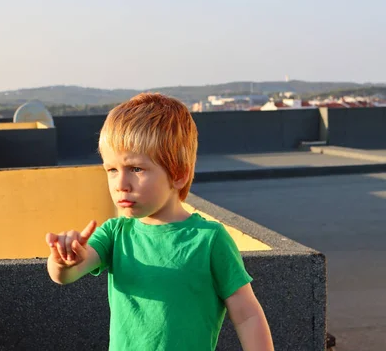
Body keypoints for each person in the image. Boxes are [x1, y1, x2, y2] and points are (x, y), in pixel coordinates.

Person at [45, 93, 273, 350]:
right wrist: (63, 261)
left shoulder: (209, 239)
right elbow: (64, 276)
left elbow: (247, 314)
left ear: (177, 175)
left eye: (136, 169)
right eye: (112, 170)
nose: (121, 185)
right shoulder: (114, 233)